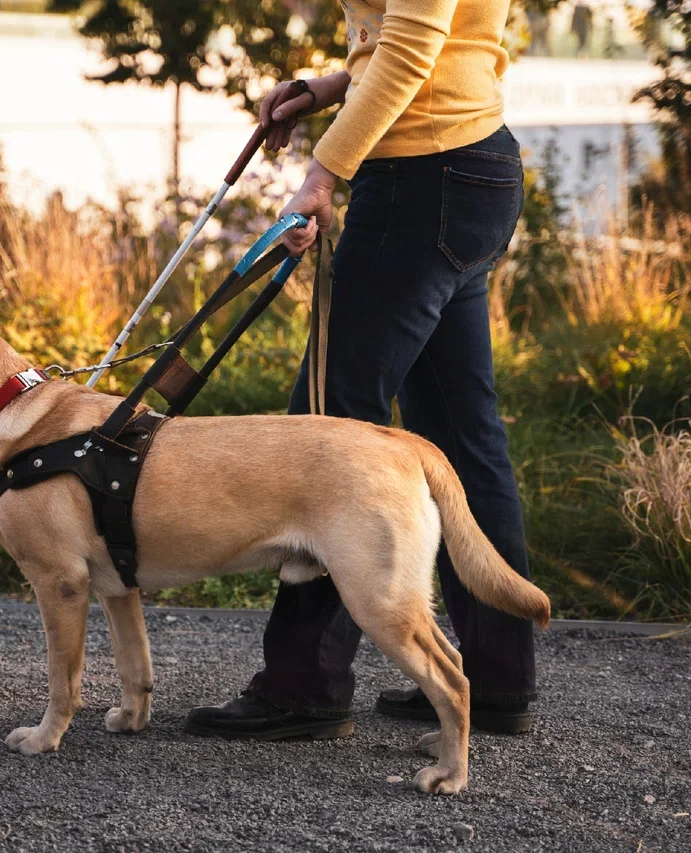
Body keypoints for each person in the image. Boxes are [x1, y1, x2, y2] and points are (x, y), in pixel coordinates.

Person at [185, 0, 538, 740]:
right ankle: (498, 675)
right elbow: (433, 40)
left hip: (421, 181)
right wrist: (331, 83)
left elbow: (414, 47)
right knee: (460, 432)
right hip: (465, 168)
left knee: (328, 428)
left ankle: (303, 682)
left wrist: (322, 171)